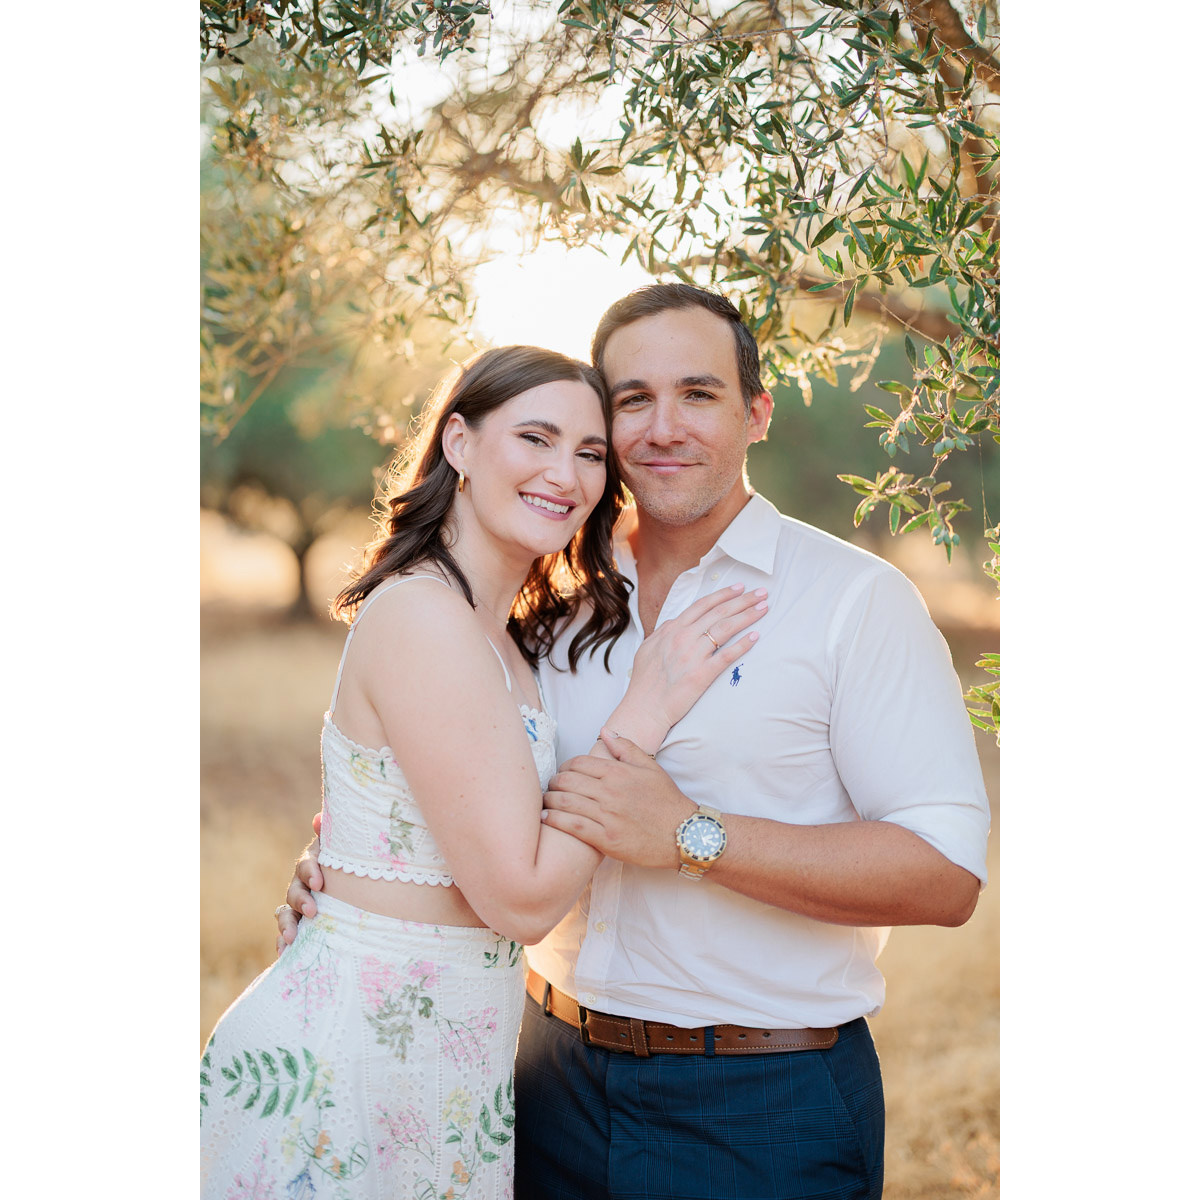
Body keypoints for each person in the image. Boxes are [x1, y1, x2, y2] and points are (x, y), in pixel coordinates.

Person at [279, 286, 991, 1200]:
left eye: (698, 394)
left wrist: (694, 835)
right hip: (538, 1077)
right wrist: (355, 871)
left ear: (756, 414)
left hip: (761, 1102)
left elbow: (944, 873)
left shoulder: (855, 603)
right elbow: (466, 778)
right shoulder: (549, 594)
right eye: (631, 400)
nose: (663, 427)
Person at [201, 343, 769, 1199]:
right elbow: (522, 898)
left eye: (587, 454)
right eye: (534, 438)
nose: (565, 474)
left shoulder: (505, 634)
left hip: (440, 1059)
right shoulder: (425, 617)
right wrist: (646, 707)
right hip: (348, 1060)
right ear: (459, 444)